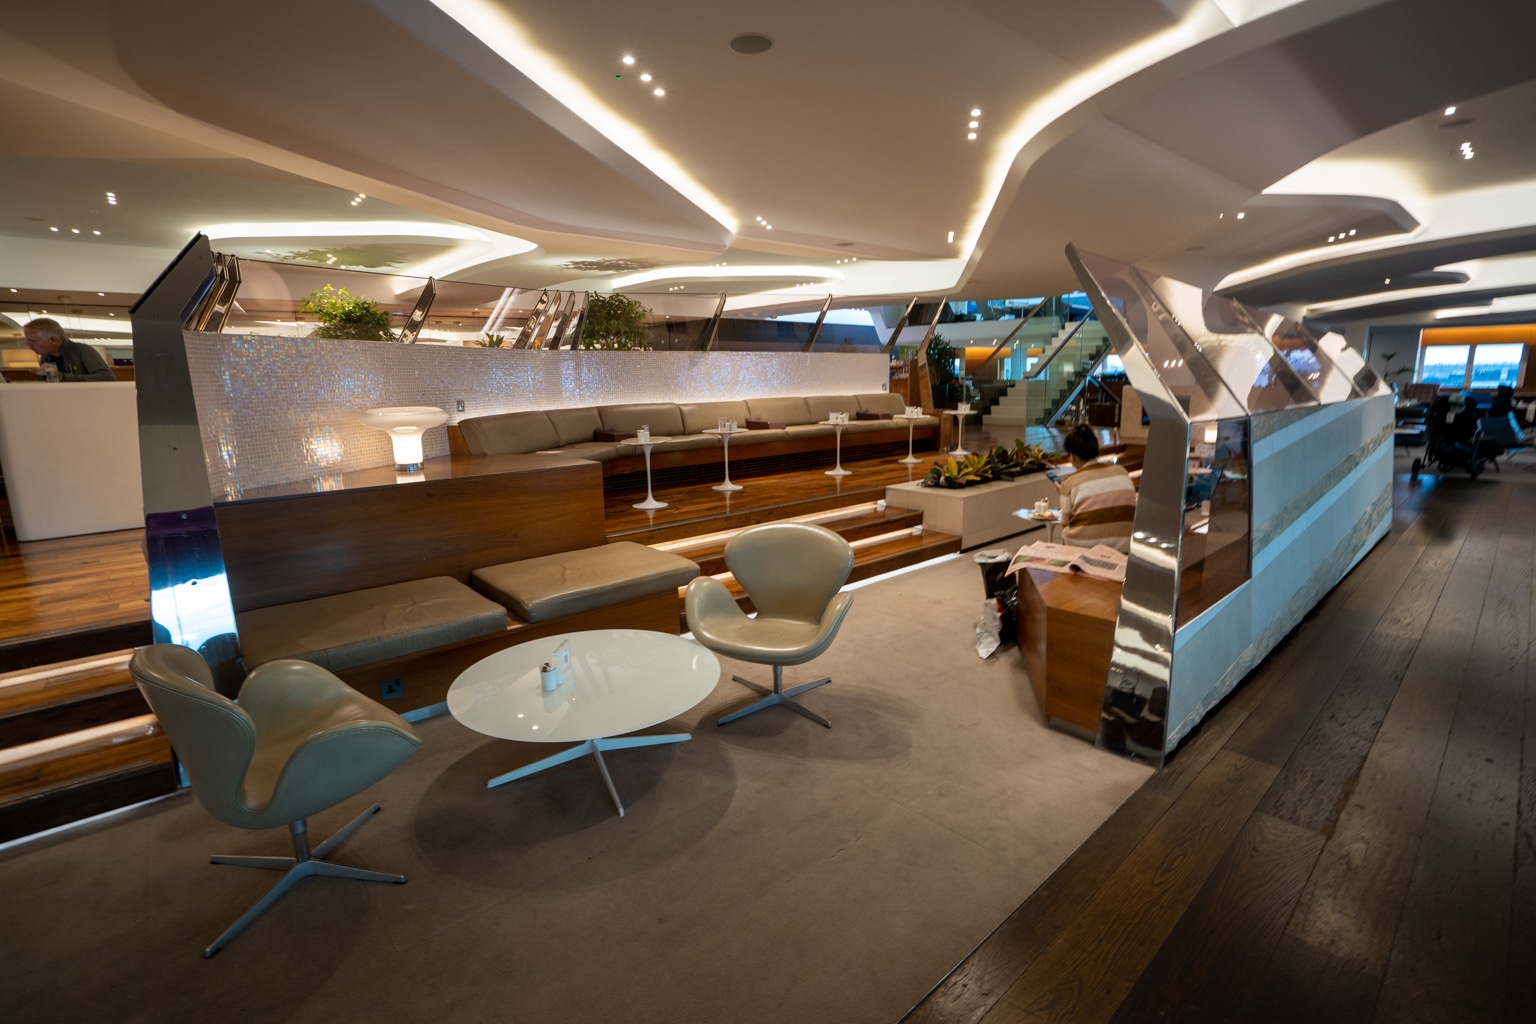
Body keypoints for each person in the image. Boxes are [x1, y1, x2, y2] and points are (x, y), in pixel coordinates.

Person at [1054, 424, 1137, 553]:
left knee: (1066, 532)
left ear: (1072, 456)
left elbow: (1065, 522)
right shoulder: (1121, 471)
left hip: (1084, 546)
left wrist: (1063, 494)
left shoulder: (1069, 482)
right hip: (1125, 545)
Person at [22, 318, 115, 381]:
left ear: (54, 340)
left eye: (33, 341)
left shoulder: (82, 350)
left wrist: (62, 377)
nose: (27, 344)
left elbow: (107, 377)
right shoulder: (46, 356)